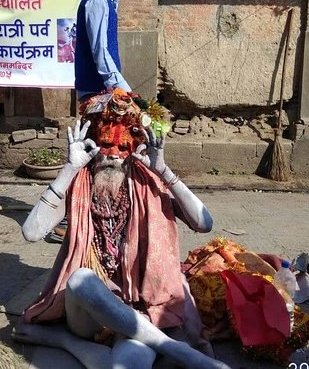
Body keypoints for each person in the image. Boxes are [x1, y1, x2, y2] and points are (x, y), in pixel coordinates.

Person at [14, 89, 230, 369]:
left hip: (141, 309)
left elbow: (204, 223)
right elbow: (31, 232)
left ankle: (64, 342)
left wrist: (163, 170)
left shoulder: (149, 182)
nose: (113, 155)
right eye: (106, 146)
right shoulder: (79, 183)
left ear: (134, 151)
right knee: (80, 280)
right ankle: (181, 352)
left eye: (123, 148)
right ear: (93, 145)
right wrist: (68, 169)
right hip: (90, 311)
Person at [74, 0, 137, 102]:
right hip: (97, 91)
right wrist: (122, 89)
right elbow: (100, 51)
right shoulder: (98, 0)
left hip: (104, 90)